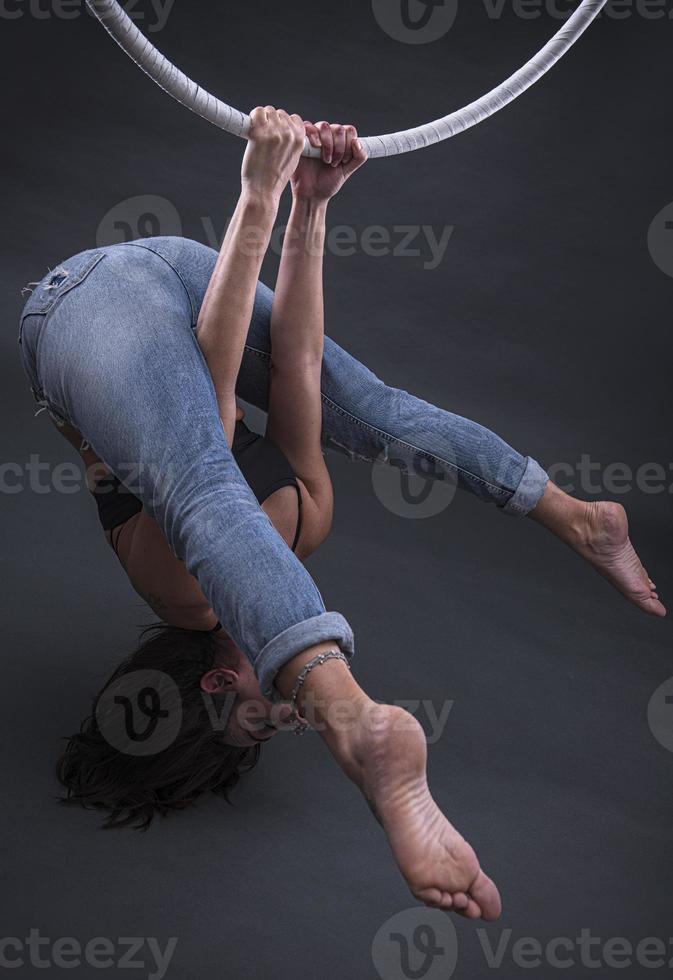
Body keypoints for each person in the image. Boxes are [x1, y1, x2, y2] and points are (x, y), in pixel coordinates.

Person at [17, 108, 664, 922]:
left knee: (205, 485)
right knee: (369, 410)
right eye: (289, 722)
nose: (281, 714)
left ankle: (354, 724)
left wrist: (257, 198)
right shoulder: (302, 525)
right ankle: (574, 516)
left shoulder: (180, 587)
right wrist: (310, 206)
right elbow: (300, 363)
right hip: (176, 276)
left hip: (84, 307)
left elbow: (214, 389)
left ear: (220, 683)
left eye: (261, 720)